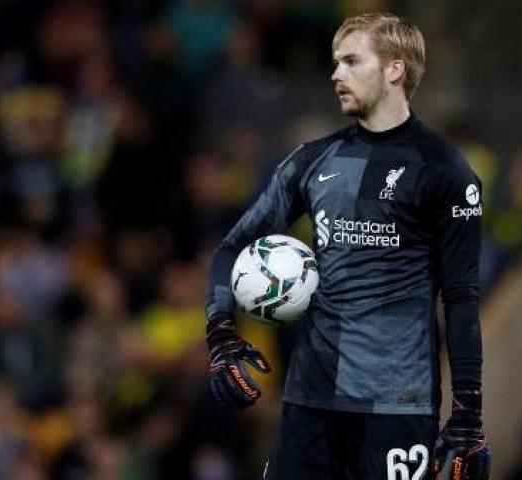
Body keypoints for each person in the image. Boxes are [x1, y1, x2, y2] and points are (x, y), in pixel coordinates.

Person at [204, 13, 491, 480]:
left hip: (397, 408)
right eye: (335, 62)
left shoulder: (446, 172)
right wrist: (220, 334)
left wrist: (469, 416)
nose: (335, 74)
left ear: (394, 69)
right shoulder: (312, 161)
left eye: (351, 61)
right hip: (309, 403)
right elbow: (232, 247)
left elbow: (461, 300)